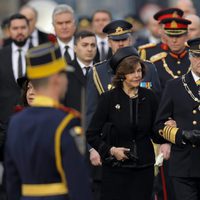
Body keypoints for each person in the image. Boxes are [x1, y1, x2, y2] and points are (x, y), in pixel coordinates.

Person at [5, 42, 93, 200]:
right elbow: (78, 184)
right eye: (65, 75)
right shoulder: (66, 122)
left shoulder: (15, 123)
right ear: (56, 79)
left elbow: (11, 182)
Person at [86, 47, 163, 200]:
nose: (137, 75)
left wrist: (166, 128)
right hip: (116, 169)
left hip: (144, 168)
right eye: (132, 71)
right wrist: (111, 150)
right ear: (121, 75)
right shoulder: (108, 98)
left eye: (139, 71)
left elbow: (155, 133)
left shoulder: (149, 97)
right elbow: (91, 134)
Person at [154, 37, 200, 200]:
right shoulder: (175, 86)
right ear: (189, 57)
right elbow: (158, 126)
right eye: (196, 56)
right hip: (184, 163)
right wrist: (181, 134)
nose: (199, 61)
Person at [150, 17, 191, 90]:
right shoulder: (156, 63)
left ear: (186, 36)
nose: (174, 40)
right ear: (165, 37)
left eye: (178, 36)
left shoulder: (195, 60)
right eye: (170, 36)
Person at [63, 30, 97, 112]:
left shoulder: (103, 70)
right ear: (75, 48)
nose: (89, 49)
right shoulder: (65, 72)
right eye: (84, 45)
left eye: (93, 45)